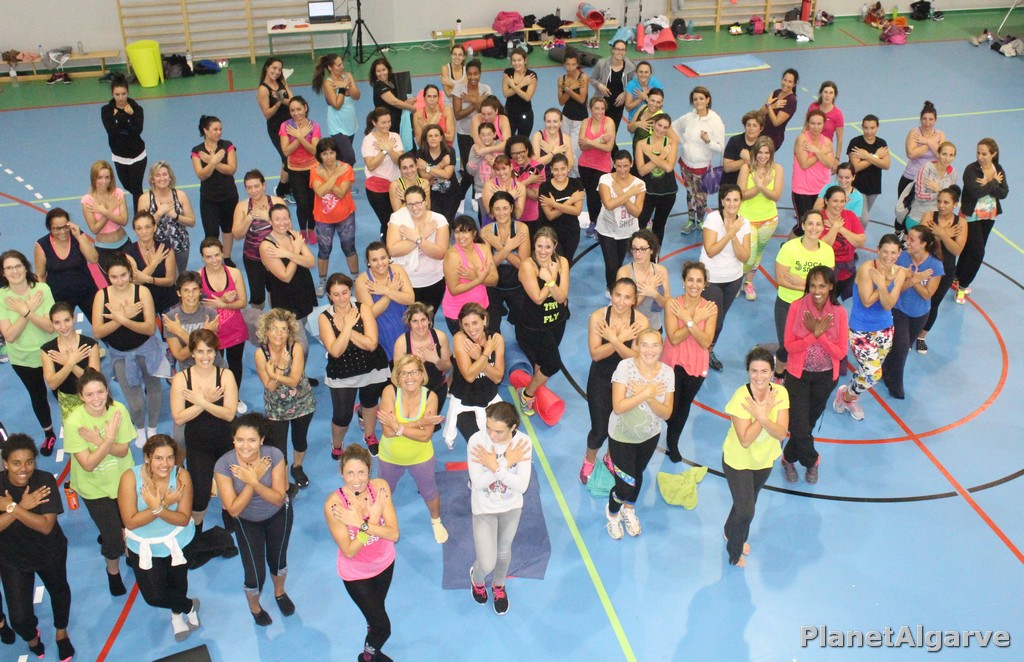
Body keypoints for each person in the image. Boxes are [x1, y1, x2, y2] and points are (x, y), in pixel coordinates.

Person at [117, 435, 200, 641]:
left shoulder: (181, 476)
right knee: (154, 596)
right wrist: (163, 503)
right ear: (147, 457)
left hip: (179, 542)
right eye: (158, 458)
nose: (165, 464)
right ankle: (188, 605)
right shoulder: (130, 478)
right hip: (144, 547)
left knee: (178, 583)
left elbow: (183, 519)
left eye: (170, 458)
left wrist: (158, 508)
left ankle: (177, 616)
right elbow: (130, 521)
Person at [0, 433, 74, 661]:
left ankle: (61, 633)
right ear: (5, 464)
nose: (23, 469)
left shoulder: (44, 481)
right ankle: (32, 638)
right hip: (12, 558)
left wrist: (13, 507)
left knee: (59, 592)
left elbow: (45, 526)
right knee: (19, 619)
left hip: (49, 552)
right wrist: (23, 506)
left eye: (29, 462)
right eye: (16, 463)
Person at [214, 413, 294, 626]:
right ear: (233, 439)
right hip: (247, 522)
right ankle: (255, 607)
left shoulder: (274, 456)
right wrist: (252, 481)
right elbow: (233, 509)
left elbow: (278, 498)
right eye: (240, 440)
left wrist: (254, 482)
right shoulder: (224, 465)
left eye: (251, 440)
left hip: (278, 515)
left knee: (278, 561)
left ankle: (279, 592)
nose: (245, 446)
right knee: (254, 575)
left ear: (261, 440)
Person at [63, 369, 135, 596]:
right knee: (113, 541)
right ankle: (112, 572)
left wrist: (99, 441)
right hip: (94, 487)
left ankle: (130, 554)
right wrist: (109, 439)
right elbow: (88, 464)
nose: (96, 399)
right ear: (81, 396)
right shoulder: (75, 422)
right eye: (90, 394)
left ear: (107, 391)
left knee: (130, 526)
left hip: (122, 480)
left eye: (100, 392)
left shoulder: (118, 410)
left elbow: (123, 452)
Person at [324, 444, 399, 662]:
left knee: (375, 615)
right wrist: (373, 522)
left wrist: (362, 524)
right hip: (356, 575)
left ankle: (371, 647)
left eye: (361, 472)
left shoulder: (380, 488)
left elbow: (393, 534)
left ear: (369, 470)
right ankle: (367, 657)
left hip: (384, 564)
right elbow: (349, 550)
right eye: (350, 473)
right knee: (382, 627)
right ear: (341, 473)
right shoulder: (334, 505)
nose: (356, 479)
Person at [722, 347, 789, 567]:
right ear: (748, 371)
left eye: (764, 371)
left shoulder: (780, 393)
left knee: (747, 500)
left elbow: (781, 433)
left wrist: (763, 417)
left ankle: (729, 530)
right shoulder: (741, 397)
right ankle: (734, 550)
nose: (759, 376)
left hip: (764, 460)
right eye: (754, 371)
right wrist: (762, 416)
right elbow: (745, 440)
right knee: (746, 511)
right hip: (738, 461)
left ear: (772, 371)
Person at [605, 328, 673, 540]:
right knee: (624, 487)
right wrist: (646, 392)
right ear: (636, 346)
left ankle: (629, 509)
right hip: (622, 437)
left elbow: (666, 413)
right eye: (644, 345)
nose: (649, 350)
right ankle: (613, 514)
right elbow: (618, 407)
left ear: (661, 347)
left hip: (649, 437)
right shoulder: (625, 368)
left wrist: (649, 397)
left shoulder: (667, 373)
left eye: (655, 345)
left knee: (637, 473)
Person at [781, 266, 848, 484]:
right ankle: (812, 461)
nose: (817, 291)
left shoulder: (839, 313)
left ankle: (788, 458)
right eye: (812, 286)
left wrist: (821, 337)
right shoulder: (796, 307)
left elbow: (841, 352)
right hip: (798, 375)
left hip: (825, 378)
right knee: (798, 424)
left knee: (807, 422)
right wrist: (813, 336)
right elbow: (789, 346)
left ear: (831, 287)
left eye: (822, 286)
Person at [580, 278, 649, 483]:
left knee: (619, 427)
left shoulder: (641, 322)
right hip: (601, 378)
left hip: (627, 382)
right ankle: (589, 459)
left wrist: (614, 339)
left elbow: (636, 358)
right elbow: (596, 354)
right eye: (617, 295)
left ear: (634, 300)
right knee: (600, 429)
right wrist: (621, 339)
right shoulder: (598, 317)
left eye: (627, 297)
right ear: (611, 294)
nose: (621, 301)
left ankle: (610, 457)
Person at [467, 401, 532, 615]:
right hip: (484, 509)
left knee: (503, 552)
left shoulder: (523, 443)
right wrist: (504, 464)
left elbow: (522, 486)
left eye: (498, 431)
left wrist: (494, 466)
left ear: (513, 427)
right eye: (489, 428)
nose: (492, 435)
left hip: (511, 508)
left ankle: (499, 585)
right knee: (486, 563)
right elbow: (478, 483)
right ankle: (477, 579)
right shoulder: (477, 441)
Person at [170, 329, 238, 526]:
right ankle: (196, 530)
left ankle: (229, 514)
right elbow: (179, 418)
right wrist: (205, 402)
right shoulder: (182, 379)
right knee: (200, 496)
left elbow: (229, 414)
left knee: (230, 485)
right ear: (192, 353)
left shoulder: (225, 376)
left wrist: (201, 402)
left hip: (225, 440)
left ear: (216, 352)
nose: (205, 357)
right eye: (200, 351)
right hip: (198, 444)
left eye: (210, 351)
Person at [834, 234, 906, 421]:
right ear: (878, 250)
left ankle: (851, 396)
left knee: (868, 370)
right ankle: (846, 396)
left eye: (893, 253)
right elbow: (866, 301)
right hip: (861, 330)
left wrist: (884, 285)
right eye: (885, 252)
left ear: (899, 253)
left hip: (885, 328)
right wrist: (884, 284)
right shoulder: (867, 269)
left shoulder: (900, 272)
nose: (888, 257)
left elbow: (888, 304)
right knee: (874, 374)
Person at [376, 354, 447, 543]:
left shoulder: (430, 397)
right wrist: (420, 422)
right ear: (397, 376)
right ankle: (379, 521)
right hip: (390, 457)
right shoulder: (389, 392)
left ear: (422, 374)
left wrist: (399, 428)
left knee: (430, 492)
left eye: (414, 372)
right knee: (383, 492)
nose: (409, 378)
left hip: (421, 457)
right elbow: (387, 431)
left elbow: (425, 436)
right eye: (404, 373)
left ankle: (436, 521)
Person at [320, 274, 391, 459]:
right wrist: (348, 329)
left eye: (345, 292)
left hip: (371, 366)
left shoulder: (363, 309)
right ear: (329, 296)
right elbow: (336, 351)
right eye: (336, 294)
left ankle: (369, 435)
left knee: (370, 403)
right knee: (342, 416)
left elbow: (372, 344)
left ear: (350, 291)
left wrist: (346, 329)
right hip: (342, 370)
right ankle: (337, 444)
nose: (341, 298)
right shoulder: (325, 318)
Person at [0, 251, 58, 454]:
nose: (14, 271)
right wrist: (28, 311)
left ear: (26, 267)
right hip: (22, 359)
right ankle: (49, 434)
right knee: (37, 395)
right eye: (9, 268)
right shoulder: (2, 297)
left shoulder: (42, 289)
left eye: (18, 266)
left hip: (51, 353)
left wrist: (25, 311)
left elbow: (50, 327)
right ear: (3, 273)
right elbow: (10, 335)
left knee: (63, 393)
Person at [254, 308, 316, 487]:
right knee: (278, 447)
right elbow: (270, 387)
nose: (279, 334)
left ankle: (297, 467)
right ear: (266, 331)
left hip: (302, 403)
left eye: (283, 329)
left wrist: (275, 372)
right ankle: (284, 483)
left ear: (289, 332)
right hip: (276, 408)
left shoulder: (296, 347)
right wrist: (281, 368)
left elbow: (294, 380)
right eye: (274, 328)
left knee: (300, 440)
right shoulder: (260, 354)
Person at [661, 262, 716, 463]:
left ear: (705, 284)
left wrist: (688, 320)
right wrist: (695, 320)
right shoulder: (672, 304)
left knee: (684, 406)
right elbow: (674, 338)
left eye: (699, 281)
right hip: (673, 362)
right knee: (670, 408)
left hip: (696, 364)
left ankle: (672, 442)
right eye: (690, 280)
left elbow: (706, 341)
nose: (694, 284)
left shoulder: (710, 308)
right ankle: (665, 431)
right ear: (683, 281)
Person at [881, 226, 943, 399]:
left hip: (920, 314)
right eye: (908, 238)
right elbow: (896, 289)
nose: (907, 242)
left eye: (912, 240)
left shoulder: (935, 265)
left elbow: (927, 294)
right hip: (898, 309)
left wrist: (913, 279)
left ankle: (885, 370)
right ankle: (896, 388)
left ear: (923, 244)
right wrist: (914, 279)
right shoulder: (901, 258)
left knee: (901, 347)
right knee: (901, 349)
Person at [773, 211, 836, 381]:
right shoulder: (789, 248)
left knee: (806, 344)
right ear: (802, 225)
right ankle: (778, 374)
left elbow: (826, 285)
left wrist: (801, 282)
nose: (814, 228)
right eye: (810, 223)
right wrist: (813, 286)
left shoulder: (827, 252)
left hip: (813, 307)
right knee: (786, 346)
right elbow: (781, 280)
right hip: (787, 303)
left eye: (818, 224)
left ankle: (794, 375)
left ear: (823, 227)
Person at [515, 227, 570, 416]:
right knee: (552, 364)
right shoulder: (528, 266)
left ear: (555, 246)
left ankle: (538, 390)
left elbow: (562, 297)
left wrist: (551, 281)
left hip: (557, 321)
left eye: (548, 246)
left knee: (543, 361)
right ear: (534, 245)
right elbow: (538, 298)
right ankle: (527, 394)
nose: (543, 251)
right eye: (539, 246)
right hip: (535, 326)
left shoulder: (562, 262)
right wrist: (551, 278)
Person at [699, 184, 751, 371]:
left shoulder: (744, 223)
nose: (731, 204)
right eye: (728, 199)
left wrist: (734, 235)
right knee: (716, 323)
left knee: (718, 320)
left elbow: (744, 257)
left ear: (741, 201)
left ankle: (707, 351)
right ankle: (703, 352)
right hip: (711, 279)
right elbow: (711, 251)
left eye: (736, 200)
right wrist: (729, 233)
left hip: (733, 279)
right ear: (721, 201)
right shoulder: (713, 219)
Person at [954, 138, 1008, 304]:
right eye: (978, 153)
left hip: (989, 216)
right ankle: (963, 286)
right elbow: (976, 192)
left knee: (969, 249)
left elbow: (1004, 192)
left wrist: (989, 185)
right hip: (972, 217)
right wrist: (993, 182)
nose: (980, 157)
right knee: (978, 252)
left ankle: (956, 276)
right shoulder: (971, 170)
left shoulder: (998, 169)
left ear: (993, 154)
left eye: (984, 154)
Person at [260, 204, 318, 353]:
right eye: (277, 219)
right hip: (285, 298)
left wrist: (288, 254)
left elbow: (311, 262)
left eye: (285, 218)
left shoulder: (293, 234)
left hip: (303, 290)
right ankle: (295, 367)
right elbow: (285, 276)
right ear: (270, 221)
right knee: (301, 346)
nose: (282, 223)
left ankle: (294, 365)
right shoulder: (267, 246)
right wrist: (296, 251)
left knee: (297, 333)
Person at [445, 303, 505, 449]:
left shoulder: (496, 338)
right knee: (479, 447)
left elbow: (498, 377)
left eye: (475, 323)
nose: (471, 329)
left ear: (484, 320)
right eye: (466, 325)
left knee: (501, 442)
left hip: (490, 399)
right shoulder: (460, 339)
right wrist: (486, 353)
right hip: (465, 403)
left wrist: (479, 357)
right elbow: (469, 376)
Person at [199, 237, 249, 405]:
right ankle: (219, 398)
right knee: (214, 367)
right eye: (208, 257)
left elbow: (243, 302)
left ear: (223, 253)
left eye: (217, 255)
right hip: (212, 333)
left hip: (235, 329)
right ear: (202, 258)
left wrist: (223, 304)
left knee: (235, 365)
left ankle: (234, 397)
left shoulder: (234, 273)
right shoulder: (198, 277)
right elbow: (197, 308)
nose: (214, 260)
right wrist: (224, 301)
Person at [386, 186, 449, 314]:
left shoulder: (439, 220)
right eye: (410, 204)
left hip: (433, 280)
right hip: (405, 282)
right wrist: (421, 235)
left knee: (428, 319)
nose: (415, 208)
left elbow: (440, 253)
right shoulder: (397, 218)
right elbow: (393, 250)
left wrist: (418, 238)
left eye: (418, 203)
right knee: (408, 320)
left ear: (425, 202)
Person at [917, 186, 966, 352]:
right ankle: (909, 332)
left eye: (946, 202)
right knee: (916, 298)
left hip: (945, 270)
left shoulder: (961, 224)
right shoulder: (929, 216)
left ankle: (921, 336)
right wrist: (943, 235)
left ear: (955, 204)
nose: (941, 205)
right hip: (925, 266)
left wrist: (941, 234)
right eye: (939, 201)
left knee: (934, 303)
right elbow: (921, 242)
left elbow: (956, 250)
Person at [673, 86, 726, 234]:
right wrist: (683, 142)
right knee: (690, 194)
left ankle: (701, 220)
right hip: (685, 164)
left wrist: (708, 141)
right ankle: (691, 219)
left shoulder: (715, 120)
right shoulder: (689, 117)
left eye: (701, 98)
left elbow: (721, 148)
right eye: (695, 99)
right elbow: (674, 126)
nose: (698, 102)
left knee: (701, 198)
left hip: (702, 167)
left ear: (707, 100)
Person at [737, 136, 784, 301]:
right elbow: (742, 195)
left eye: (767, 153)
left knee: (757, 254)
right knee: (749, 257)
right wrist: (760, 186)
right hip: (746, 219)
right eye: (760, 152)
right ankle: (735, 280)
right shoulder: (746, 168)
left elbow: (776, 196)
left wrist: (761, 185)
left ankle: (748, 283)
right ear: (754, 153)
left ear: (771, 154)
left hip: (768, 220)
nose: (763, 156)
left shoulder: (777, 169)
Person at [311, 137, 358, 296]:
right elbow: (320, 192)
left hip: (345, 216)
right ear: (320, 155)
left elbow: (341, 193)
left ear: (336, 153)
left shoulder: (346, 169)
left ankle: (356, 279)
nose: (329, 157)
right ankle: (322, 282)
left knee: (349, 248)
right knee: (324, 250)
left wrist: (326, 178)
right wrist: (335, 176)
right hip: (323, 219)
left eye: (332, 152)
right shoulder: (315, 170)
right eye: (325, 154)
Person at [233, 169, 285, 311]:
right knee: (257, 297)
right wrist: (249, 218)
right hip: (253, 258)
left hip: (275, 256)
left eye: (256, 186)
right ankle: (256, 320)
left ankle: (275, 319)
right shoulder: (242, 207)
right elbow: (237, 235)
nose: (253, 191)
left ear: (264, 185)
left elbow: (287, 229)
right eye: (249, 188)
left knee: (276, 293)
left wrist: (268, 217)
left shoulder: (277, 202)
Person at [34, 207, 100, 318]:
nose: (62, 232)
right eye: (57, 229)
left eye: (65, 227)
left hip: (86, 290)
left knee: (102, 321)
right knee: (61, 326)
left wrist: (78, 237)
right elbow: (40, 276)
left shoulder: (78, 235)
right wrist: (45, 299)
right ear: (50, 228)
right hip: (59, 296)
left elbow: (94, 259)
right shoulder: (42, 245)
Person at [41, 301, 101, 424]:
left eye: (66, 320)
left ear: (73, 318)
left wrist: (68, 363)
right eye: (57, 322)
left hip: (94, 398)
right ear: (52, 324)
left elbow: (95, 380)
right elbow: (52, 384)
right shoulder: (48, 350)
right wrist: (70, 362)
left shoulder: (90, 345)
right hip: (67, 402)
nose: (63, 326)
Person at [355, 242, 413, 364]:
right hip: (382, 333)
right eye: (374, 260)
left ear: (388, 257)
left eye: (383, 258)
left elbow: (410, 299)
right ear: (368, 262)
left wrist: (386, 290)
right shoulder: (362, 281)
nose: (380, 263)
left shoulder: (397, 270)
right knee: (392, 366)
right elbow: (371, 314)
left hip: (403, 326)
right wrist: (390, 292)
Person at [191, 114, 239, 259]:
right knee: (211, 232)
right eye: (215, 129)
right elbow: (201, 174)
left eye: (220, 129)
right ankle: (213, 258)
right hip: (209, 198)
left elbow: (231, 169)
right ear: (205, 131)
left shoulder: (227, 146)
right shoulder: (197, 151)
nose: (219, 132)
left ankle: (227, 256)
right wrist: (214, 161)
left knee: (228, 228)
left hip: (229, 195)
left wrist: (212, 161)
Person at [597, 150, 646, 292]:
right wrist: (629, 193)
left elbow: (636, 212)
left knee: (618, 263)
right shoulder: (605, 179)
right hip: (606, 230)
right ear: (614, 164)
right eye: (618, 166)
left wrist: (621, 195)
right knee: (611, 265)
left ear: (631, 164)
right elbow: (608, 204)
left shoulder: (639, 184)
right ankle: (611, 290)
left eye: (625, 166)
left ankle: (615, 288)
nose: (622, 170)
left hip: (627, 231)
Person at [479, 192, 529, 330]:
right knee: (492, 329)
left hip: (517, 285)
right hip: (494, 287)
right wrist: (508, 247)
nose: (501, 213)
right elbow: (488, 267)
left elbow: (522, 265)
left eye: (505, 208)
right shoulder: (486, 231)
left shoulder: (521, 229)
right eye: (497, 209)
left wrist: (499, 247)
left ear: (512, 208)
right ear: (492, 210)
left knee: (522, 327)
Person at [139, 161, 196, 276]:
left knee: (180, 276)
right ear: (152, 179)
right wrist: (159, 213)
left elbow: (191, 221)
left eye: (165, 174)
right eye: (158, 175)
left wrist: (175, 215)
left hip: (180, 244)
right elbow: (141, 226)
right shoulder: (145, 199)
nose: (162, 178)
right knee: (161, 277)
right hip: (156, 248)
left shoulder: (180, 195)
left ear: (170, 178)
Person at [100, 72, 147, 212]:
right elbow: (112, 131)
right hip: (119, 156)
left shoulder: (137, 109)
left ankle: (139, 216)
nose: (121, 98)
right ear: (112, 94)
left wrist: (122, 118)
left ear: (128, 92)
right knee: (127, 186)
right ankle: (146, 201)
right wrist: (125, 117)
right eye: (117, 94)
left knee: (136, 188)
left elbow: (136, 131)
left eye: (123, 94)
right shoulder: (106, 111)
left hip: (138, 155)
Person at [897, 100, 945, 232]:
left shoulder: (940, 134)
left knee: (922, 212)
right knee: (903, 209)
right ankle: (899, 232)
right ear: (920, 119)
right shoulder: (914, 132)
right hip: (910, 178)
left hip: (929, 182)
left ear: (935, 120)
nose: (927, 123)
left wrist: (926, 141)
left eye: (931, 119)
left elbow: (942, 156)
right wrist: (930, 143)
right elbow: (911, 154)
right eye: (924, 119)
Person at [442, 216, 496, 334]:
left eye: (465, 232)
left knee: (482, 342)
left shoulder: (484, 249)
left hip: (481, 308)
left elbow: (494, 280)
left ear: (474, 233)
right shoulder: (452, 256)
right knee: (465, 345)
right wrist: (478, 279)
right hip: (458, 313)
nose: (460, 236)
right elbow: (454, 290)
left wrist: (475, 277)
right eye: (457, 232)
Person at [280, 96, 321, 245]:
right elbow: (286, 151)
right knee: (302, 204)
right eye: (292, 110)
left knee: (313, 203)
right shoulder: (285, 126)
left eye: (299, 109)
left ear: (305, 108)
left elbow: (314, 150)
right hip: (295, 171)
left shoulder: (314, 126)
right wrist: (300, 137)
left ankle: (311, 229)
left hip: (312, 170)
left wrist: (300, 137)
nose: (296, 113)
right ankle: (303, 230)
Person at [393, 302, 452, 407]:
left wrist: (436, 360)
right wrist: (417, 362)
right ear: (409, 323)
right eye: (415, 321)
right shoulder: (401, 343)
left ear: (429, 320)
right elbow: (396, 375)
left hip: (437, 389)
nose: (420, 325)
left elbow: (447, 367)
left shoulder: (440, 337)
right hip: (412, 392)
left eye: (423, 320)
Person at [162, 271, 221, 373]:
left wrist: (180, 332)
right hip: (189, 372)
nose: (191, 295)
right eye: (186, 290)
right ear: (179, 293)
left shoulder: (211, 313)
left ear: (200, 291)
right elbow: (180, 355)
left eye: (195, 289)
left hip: (214, 367)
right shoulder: (170, 319)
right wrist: (205, 332)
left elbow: (210, 348)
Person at [635, 113, 679, 244]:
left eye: (665, 127)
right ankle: (639, 250)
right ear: (653, 124)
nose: (661, 129)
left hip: (667, 192)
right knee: (640, 223)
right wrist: (662, 157)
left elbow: (669, 167)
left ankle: (655, 254)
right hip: (647, 192)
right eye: (659, 125)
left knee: (659, 226)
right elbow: (642, 170)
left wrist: (650, 153)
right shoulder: (641, 144)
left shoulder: (671, 143)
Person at [452, 59, 492, 202]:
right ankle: (460, 198)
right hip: (464, 134)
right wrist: (476, 103)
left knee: (481, 167)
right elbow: (458, 114)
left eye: (475, 74)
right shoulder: (458, 89)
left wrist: (471, 99)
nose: (472, 77)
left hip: (483, 135)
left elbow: (487, 111)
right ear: (466, 74)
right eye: (469, 74)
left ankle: (476, 196)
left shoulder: (486, 89)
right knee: (469, 168)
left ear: (480, 74)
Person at [363, 107, 406, 239]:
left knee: (397, 217)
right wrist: (384, 151)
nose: (387, 125)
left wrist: (389, 149)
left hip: (396, 185)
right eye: (383, 122)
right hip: (377, 187)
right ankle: (387, 243)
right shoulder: (368, 140)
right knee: (387, 220)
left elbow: (400, 161)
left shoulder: (395, 137)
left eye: (389, 122)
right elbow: (371, 165)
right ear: (374, 123)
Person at [312, 52, 361, 166]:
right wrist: (343, 89)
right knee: (350, 157)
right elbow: (337, 105)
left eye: (342, 64)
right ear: (330, 68)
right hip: (337, 127)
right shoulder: (328, 84)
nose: (342, 67)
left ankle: (339, 175)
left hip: (350, 124)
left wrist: (347, 86)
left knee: (341, 157)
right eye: (338, 65)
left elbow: (357, 96)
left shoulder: (347, 76)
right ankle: (345, 175)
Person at [818, 186, 866, 300]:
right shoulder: (818, 218)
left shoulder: (850, 216)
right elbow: (820, 247)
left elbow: (861, 242)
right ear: (826, 200)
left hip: (846, 271)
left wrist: (841, 229)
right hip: (825, 272)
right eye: (835, 201)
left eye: (842, 201)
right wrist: (834, 229)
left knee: (833, 298)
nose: (839, 205)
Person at [125, 211, 178, 314]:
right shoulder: (129, 251)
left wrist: (149, 280)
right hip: (144, 304)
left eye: (147, 227)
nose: (144, 231)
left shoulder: (165, 247)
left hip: (168, 300)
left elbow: (170, 281)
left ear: (154, 228)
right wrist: (154, 263)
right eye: (139, 228)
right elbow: (136, 281)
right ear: (134, 231)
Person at [616, 229, 669, 332]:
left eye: (642, 249)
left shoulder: (661, 271)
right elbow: (625, 306)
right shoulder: (624, 272)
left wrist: (655, 294)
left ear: (651, 250)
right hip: (631, 329)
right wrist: (646, 290)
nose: (637, 253)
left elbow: (667, 304)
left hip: (654, 327)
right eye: (634, 249)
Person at [256, 57, 294, 199]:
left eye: (279, 69)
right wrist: (279, 101)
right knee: (287, 158)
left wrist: (280, 98)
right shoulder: (263, 89)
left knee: (291, 157)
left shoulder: (282, 82)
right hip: (276, 128)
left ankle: (287, 187)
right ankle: (282, 190)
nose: (277, 72)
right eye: (274, 68)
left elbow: (292, 100)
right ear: (267, 68)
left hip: (290, 125)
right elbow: (267, 114)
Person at [81, 160, 130, 268]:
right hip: (104, 249)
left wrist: (105, 211)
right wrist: (109, 211)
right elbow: (94, 229)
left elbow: (124, 221)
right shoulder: (88, 201)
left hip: (125, 244)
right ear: (93, 178)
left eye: (107, 177)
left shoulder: (118, 193)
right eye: (100, 177)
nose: (104, 181)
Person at [578, 97, 616, 238]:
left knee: (598, 196)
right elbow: (582, 146)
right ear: (591, 109)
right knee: (590, 195)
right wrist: (599, 140)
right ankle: (593, 221)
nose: (600, 112)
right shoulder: (585, 122)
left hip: (602, 166)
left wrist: (590, 142)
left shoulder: (609, 122)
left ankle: (601, 223)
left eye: (602, 109)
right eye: (596, 109)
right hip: (585, 165)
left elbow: (608, 148)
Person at [791, 110, 835, 229]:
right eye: (813, 123)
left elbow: (830, 164)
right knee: (803, 227)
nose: (816, 127)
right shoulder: (802, 140)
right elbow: (804, 164)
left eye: (819, 124)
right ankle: (791, 241)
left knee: (819, 225)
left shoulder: (826, 142)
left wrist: (816, 150)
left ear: (824, 124)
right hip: (803, 190)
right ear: (807, 123)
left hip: (822, 190)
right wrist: (821, 153)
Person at [537, 153, 584, 262]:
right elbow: (550, 215)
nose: (559, 173)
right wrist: (571, 200)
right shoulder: (545, 187)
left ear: (568, 168)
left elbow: (577, 211)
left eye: (563, 169)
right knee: (555, 263)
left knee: (566, 264)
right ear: (551, 170)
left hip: (571, 232)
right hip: (551, 233)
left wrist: (554, 204)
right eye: (556, 169)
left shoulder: (576, 184)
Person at [846, 114, 890, 226]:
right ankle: (857, 235)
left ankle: (852, 231)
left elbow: (886, 165)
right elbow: (856, 167)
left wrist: (866, 156)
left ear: (877, 127)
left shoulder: (881, 143)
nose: (869, 131)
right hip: (857, 186)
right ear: (862, 127)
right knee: (864, 219)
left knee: (858, 217)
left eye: (872, 128)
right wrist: (876, 156)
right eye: (866, 128)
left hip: (873, 186)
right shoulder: (855, 142)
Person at [905, 141, 957, 231]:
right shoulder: (925, 170)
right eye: (944, 154)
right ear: (938, 154)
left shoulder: (953, 173)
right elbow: (919, 195)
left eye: (951, 155)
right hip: (918, 217)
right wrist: (940, 195)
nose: (947, 158)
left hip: (937, 221)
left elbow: (951, 198)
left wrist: (939, 190)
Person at [417, 123, 461, 221]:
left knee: (447, 222)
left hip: (451, 194)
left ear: (441, 138)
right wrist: (441, 165)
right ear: (426, 138)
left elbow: (447, 175)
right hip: (432, 195)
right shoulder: (421, 153)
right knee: (435, 222)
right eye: (430, 136)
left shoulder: (449, 151)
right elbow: (425, 178)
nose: (433, 138)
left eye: (436, 135)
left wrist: (427, 168)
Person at [589, 40, 635, 133]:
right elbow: (591, 78)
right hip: (601, 103)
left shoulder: (630, 67)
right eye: (617, 49)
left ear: (625, 51)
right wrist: (600, 86)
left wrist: (625, 93)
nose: (620, 52)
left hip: (617, 106)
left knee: (612, 133)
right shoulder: (602, 64)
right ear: (612, 50)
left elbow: (631, 85)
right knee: (598, 131)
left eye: (622, 50)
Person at [557, 50, 588, 176]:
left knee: (571, 152)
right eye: (568, 64)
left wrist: (568, 90)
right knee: (565, 150)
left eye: (573, 64)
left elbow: (581, 99)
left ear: (577, 64)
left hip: (580, 120)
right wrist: (570, 89)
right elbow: (561, 101)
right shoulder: (561, 79)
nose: (570, 67)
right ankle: (569, 177)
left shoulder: (583, 78)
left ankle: (581, 177)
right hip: (566, 118)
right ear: (564, 64)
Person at [370, 57, 417, 143]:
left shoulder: (391, 83)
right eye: (378, 71)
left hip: (397, 121)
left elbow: (396, 101)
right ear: (374, 73)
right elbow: (394, 102)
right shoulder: (379, 85)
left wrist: (407, 102)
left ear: (388, 69)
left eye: (383, 70)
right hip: (387, 124)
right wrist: (412, 108)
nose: (381, 73)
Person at [506, 136, 546, 237]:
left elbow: (535, 196)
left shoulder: (538, 167)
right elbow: (507, 193)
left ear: (527, 150)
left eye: (521, 152)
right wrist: (529, 181)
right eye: (514, 153)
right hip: (510, 215)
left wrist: (516, 183)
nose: (518, 156)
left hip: (531, 217)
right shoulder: (507, 166)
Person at [806, 81, 845, 169]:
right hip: (810, 148)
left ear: (834, 95)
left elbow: (840, 139)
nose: (828, 95)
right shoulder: (813, 107)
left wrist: (837, 159)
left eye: (831, 93)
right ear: (821, 93)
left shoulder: (838, 114)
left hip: (825, 151)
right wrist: (802, 144)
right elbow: (806, 127)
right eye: (825, 92)